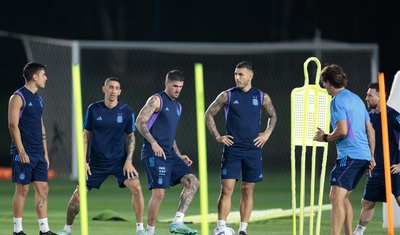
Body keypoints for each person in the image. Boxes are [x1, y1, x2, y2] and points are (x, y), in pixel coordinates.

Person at [57, 77, 146, 235]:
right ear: (104, 89)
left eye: (116, 88)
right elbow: (85, 136)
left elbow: (131, 137)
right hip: (96, 163)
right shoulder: (93, 109)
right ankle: (66, 230)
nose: (113, 91)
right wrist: (84, 162)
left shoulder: (126, 111)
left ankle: (140, 229)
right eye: (110, 87)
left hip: (119, 162)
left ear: (119, 91)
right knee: (77, 196)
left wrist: (129, 161)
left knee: (137, 188)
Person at [205, 61, 277, 235]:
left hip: (253, 150)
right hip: (233, 150)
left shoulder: (262, 97)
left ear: (250, 77)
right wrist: (217, 136)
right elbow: (209, 113)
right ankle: (221, 228)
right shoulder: (227, 95)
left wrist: (267, 133)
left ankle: (243, 230)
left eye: (241, 74)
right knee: (226, 189)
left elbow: (273, 115)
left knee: (247, 190)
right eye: (235, 74)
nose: (237, 77)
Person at [313, 64, 375, 235]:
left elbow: (342, 130)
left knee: (335, 196)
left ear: (328, 82)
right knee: (343, 197)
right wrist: (371, 156)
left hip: (350, 156)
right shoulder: (356, 99)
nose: (323, 86)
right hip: (362, 156)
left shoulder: (337, 101)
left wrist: (324, 137)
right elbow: (371, 130)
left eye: (323, 82)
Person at [135, 70, 199, 235]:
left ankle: (177, 222)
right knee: (159, 194)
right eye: (175, 86)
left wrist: (178, 154)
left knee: (193, 183)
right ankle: (150, 232)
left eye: (180, 87)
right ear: (166, 84)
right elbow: (140, 121)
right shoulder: (157, 100)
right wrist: (154, 143)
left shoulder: (178, 106)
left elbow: (170, 135)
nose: (178, 89)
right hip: (154, 153)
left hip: (170, 154)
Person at [8, 62, 57, 235]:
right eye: (43, 75)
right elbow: (13, 125)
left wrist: (45, 152)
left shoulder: (38, 98)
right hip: (23, 153)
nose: (46, 78)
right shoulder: (18, 97)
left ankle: (44, 230)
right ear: (35, 77)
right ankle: (17, 230)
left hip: (38, 153)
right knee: (23, 189)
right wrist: (21, 151)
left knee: (43, 189)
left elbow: (40, 124)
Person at [353, 82, 400, 235]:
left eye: (370, 95)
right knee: (367, 202)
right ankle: (358, 232)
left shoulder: (393, 116)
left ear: (380, 98)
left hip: (393, 167)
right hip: (376, 168)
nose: (366, 98)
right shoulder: (369, 118)